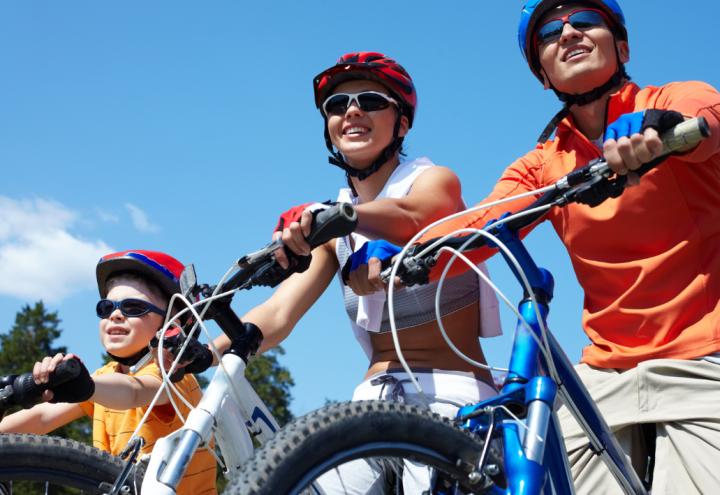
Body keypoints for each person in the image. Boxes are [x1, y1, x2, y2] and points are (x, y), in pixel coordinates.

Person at [348, 2, 720, 493]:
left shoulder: (672, 98)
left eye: (585, 22)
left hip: (703, 358)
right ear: (543, 76)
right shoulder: (544, 164)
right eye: (550, 32)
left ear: (622, 47)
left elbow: (707, 118)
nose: (568, 33)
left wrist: (659, 126)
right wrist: (404, 257)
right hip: (606, 368)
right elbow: (477, 225)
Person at [184, 52, 502, 492]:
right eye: (337, 106)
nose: (352, 111)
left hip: (455, 400)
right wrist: (202, 351)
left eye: (370, 100)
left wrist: (345, 217)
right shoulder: (335, 227)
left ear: (402, 123)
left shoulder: (433, 180)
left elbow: (419, 214)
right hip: (369, 407)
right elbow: (278, 314)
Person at [0, 250, 217, 495]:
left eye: (133, 307)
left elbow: (135, 392)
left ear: (174, 323)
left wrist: (88, 386)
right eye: (106, 308)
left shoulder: (175, 374)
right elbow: (41, 419)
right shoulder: (105, 376)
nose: (115, 314)